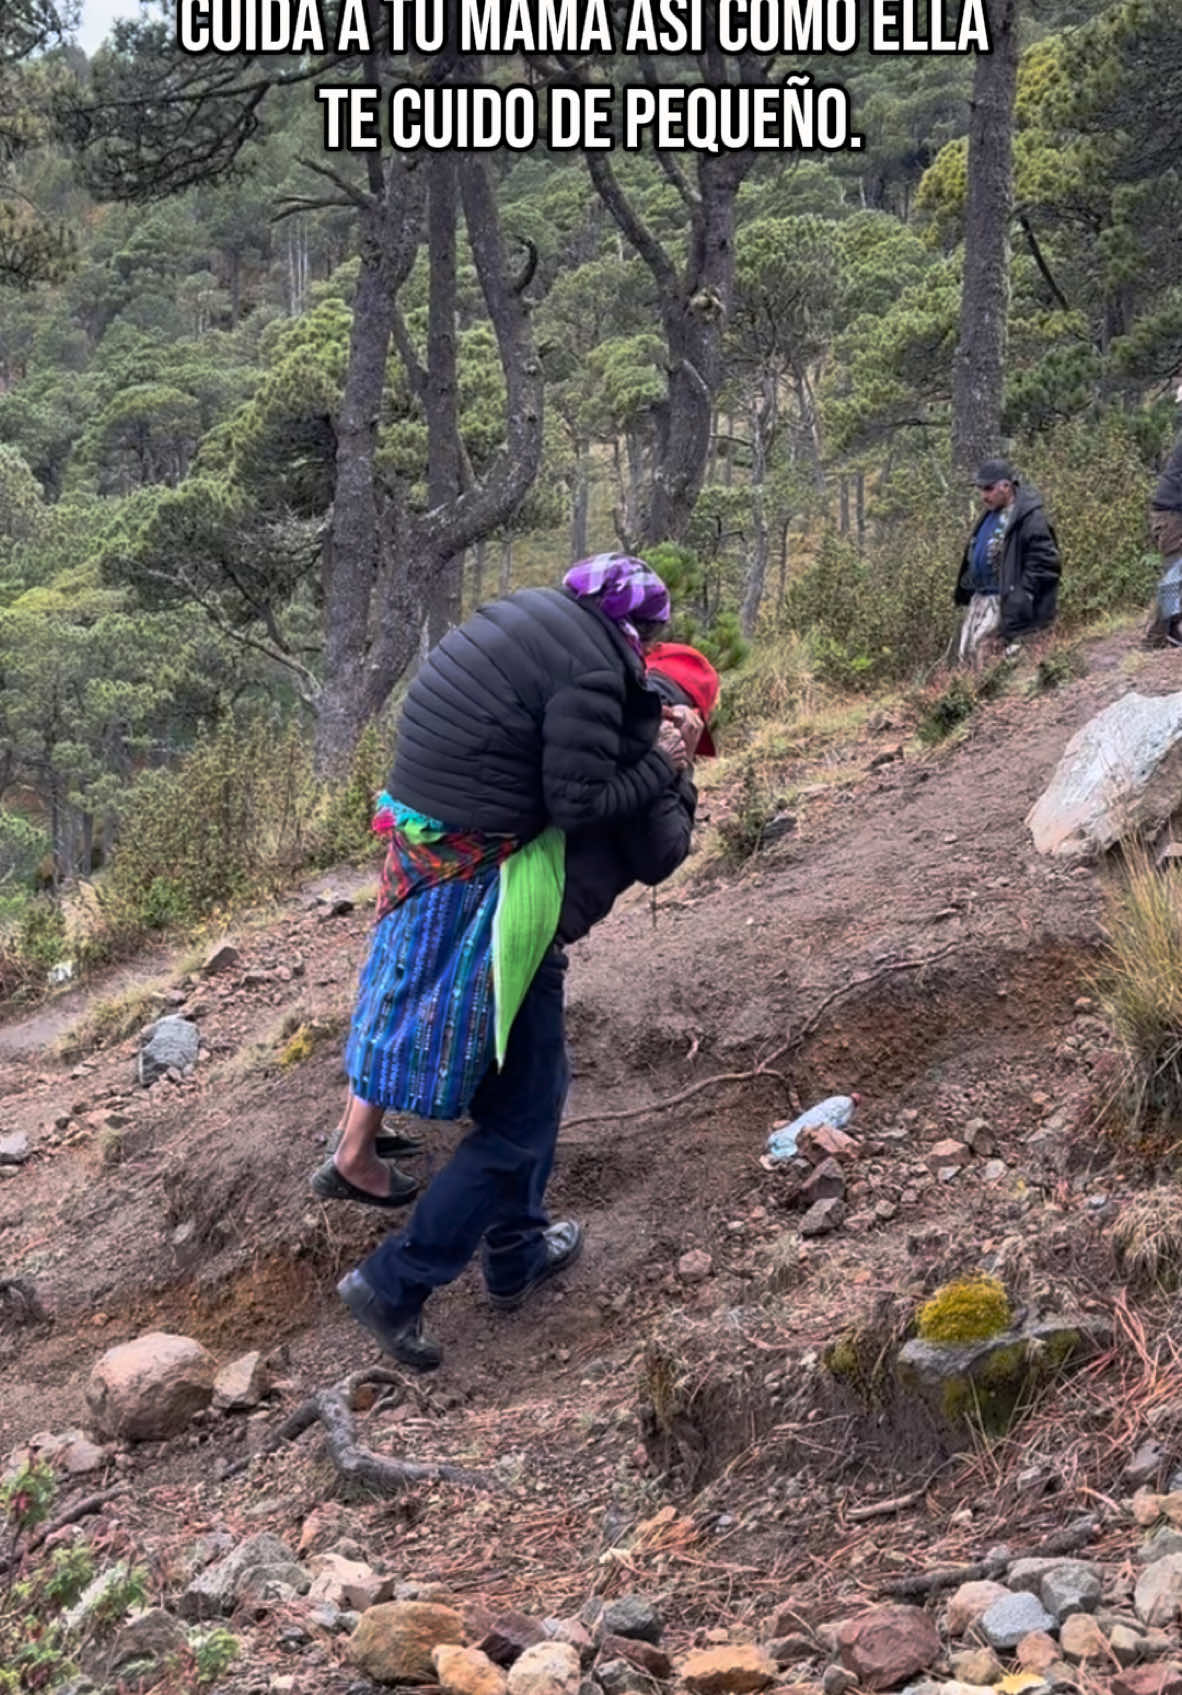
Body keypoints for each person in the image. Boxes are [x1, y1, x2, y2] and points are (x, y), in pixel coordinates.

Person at [322, 555, 696, 1371]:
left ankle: (517, 1249)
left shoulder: (531, 616)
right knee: (519, 1122)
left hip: (443, 844)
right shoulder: (602, 673)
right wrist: (670, 768)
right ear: (636, 629)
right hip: (498, 901)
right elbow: (585, 804)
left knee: (530, 1093)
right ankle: (396, 1282)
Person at [954, 458, 1061, 667]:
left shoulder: (1029, 517)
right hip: (981, 599)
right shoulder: (991, 514)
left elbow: (1046, 562)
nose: (983, 495)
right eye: (980, 489)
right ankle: (971, 696)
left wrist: (1022, 594)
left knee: (989, 658)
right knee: (967, 659)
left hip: (1005, 601)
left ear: (1006, 485)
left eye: (988, 488)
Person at [1146, 394, 1182, 648]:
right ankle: (1162, 636)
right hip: (1170, 516)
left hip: (1172, 513)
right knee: (1174, 575)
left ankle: (1166, 633)